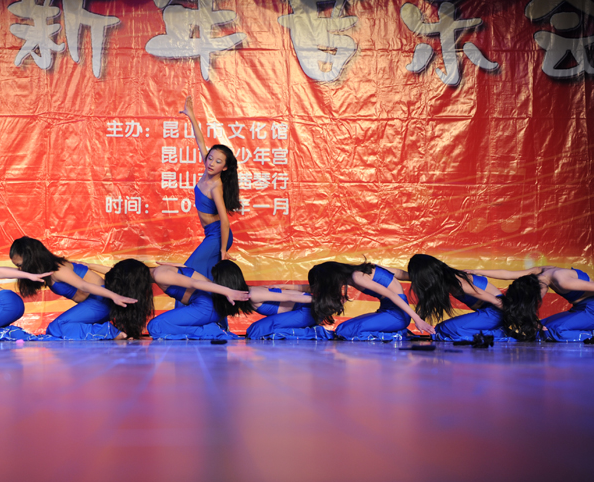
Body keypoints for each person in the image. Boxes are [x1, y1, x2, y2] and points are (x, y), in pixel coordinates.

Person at [246, 261, 436, 340]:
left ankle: (397, 334)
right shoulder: (360, 271)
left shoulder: (357, 277)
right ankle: (397, 330)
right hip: (389, 311)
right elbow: (400, 275)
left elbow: (394, 295)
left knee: (346, 331)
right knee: (344, 329)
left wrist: (417, 319)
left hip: (397, 314)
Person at [468, 266, 594, 342]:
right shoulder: (540, 273)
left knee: (553, 331)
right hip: (579, 310)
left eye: (537, 297)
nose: (541, 299)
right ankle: (586, 329)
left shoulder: (562, 280)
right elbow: (510, 274)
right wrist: (477, 271)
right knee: (539, 329)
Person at [9, 236, 141, 340]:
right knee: (59, 328)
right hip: (95, 302)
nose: (20, 270)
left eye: (20, 265)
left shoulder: (58, 270)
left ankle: (110, 332)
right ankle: (111, 331)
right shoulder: (48, 272)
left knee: (56, 327)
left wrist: (115, 296)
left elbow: (84, 286)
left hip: (102, 300)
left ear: (31, 259)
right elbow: (3, 271)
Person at [179, 95, 241, 280]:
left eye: (218, 162)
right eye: (210, 158)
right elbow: (200, 141)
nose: (212, 163)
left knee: (188, 272)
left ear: (225, 167)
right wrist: (191, 115)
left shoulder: (216, 186)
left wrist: (222, 250)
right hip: (211, 235)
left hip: (218, 236)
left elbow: (225, 221)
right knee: (203, 276)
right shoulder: (207, 170)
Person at [408, 254, 506, 342]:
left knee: (445, 329)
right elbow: (405, 276)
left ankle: (499, 334)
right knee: (440, 330)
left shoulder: (458, 281)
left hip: (497, 310)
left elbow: (496, 301)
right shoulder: (444, 280)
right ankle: (496, 331)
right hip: (489, 313)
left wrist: (513, 315)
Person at [146, 260, 250, 340]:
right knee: (157, 325)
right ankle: (209, 327)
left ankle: (210, 330)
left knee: (155, 326)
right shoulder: (168, 269)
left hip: (206, 307)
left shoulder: (159, 274)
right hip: (210, 306)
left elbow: (194, 283)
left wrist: (228, 292)